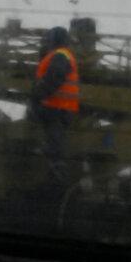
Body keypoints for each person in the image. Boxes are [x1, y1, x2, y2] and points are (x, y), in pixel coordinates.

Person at [30, 26, 80, 184]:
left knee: (51, 128)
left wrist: (38, 94)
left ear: (53, 40)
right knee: (53, 132)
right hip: (62, 105)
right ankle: (52, 158)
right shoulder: (61, 55)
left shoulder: (60, 56)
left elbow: (54, 77)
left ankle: (56, 164)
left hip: (58, 105)